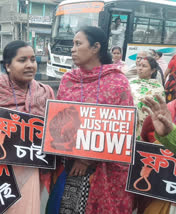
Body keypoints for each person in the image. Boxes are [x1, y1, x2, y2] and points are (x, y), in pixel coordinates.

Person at [47, 26, 134, 214]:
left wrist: (87, 159)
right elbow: (59, 120)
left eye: (78, 44)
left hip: (105, 169)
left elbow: (123, 130)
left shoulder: (118, 82)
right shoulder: (68, 79)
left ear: (95, 47)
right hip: (69, 164)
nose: (73, 48)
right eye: (73, 44)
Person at [0, 40, 55, 214]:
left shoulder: (45, 92)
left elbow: (54, 132)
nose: (29, 65)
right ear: (8, 65)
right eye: (22, 60)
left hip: (32, 170)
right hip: (0, 172)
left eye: (33, 60)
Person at [129, 56, 165, 139]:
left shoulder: (157, 87)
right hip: (130, 121)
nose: (140, 68)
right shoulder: (130, 82)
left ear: (152, 70)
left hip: (146, 124)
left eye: (144, 66)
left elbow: (160, 109)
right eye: (139, 65)